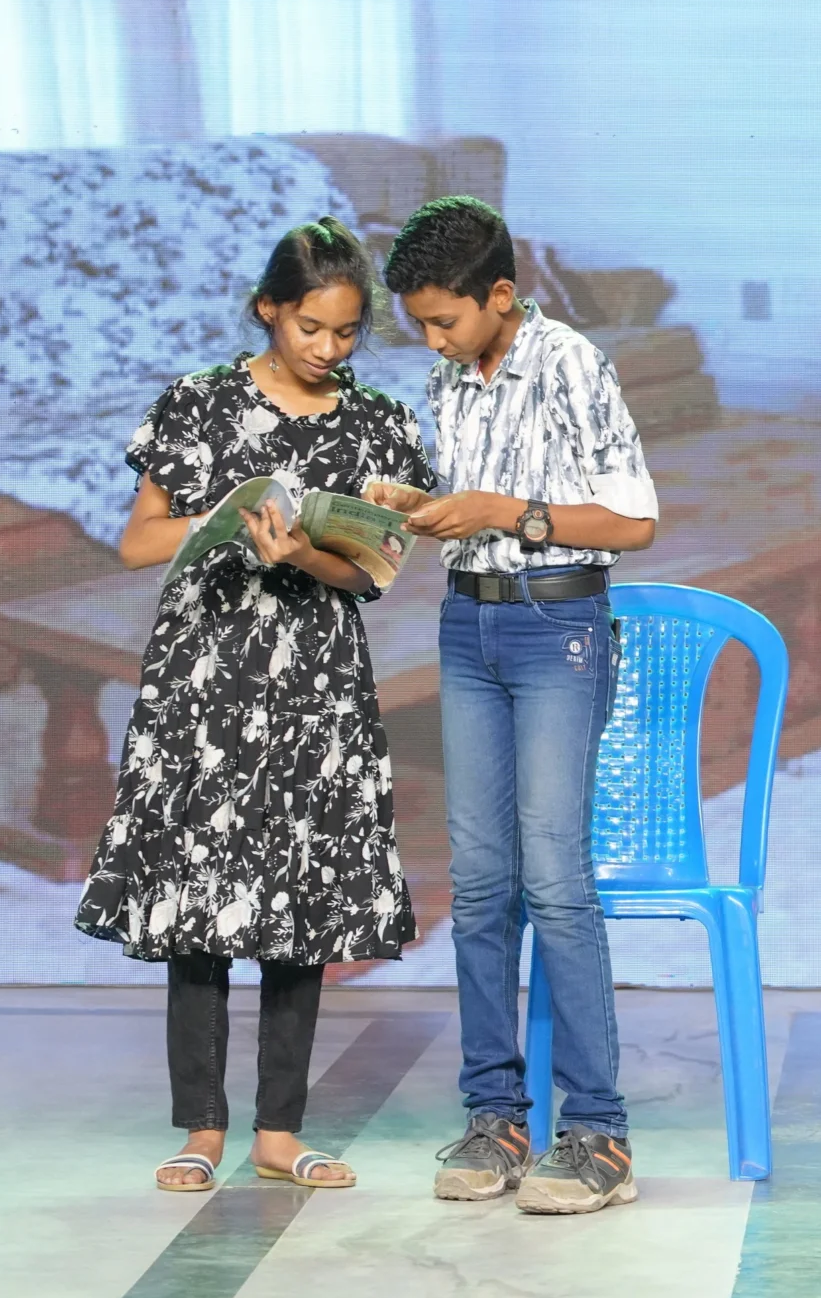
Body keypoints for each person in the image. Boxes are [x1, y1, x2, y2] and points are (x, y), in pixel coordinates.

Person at [77, 218, 435, 1192]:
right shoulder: (196, 404)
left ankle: (280, 1132)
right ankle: (200, 1129)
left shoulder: (380, 422)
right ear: (268, 309)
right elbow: (139, 542)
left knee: (300, 897)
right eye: (311, 327)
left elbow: (372, 572)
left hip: (317, 685)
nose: (329, 348)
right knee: (197, 900)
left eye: (348, 332)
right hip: (204, 682)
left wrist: (303, 551)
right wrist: (228, 519)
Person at [381, 196, 659, 1217]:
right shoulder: (446, 376)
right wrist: (412, 507)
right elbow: (462, 504)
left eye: (444, 319)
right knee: (481, 882)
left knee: (554, 879)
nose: (432, 340)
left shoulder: (571, 363)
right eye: (419, 324)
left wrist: (506, 513)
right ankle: (495, 1117)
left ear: (500, 294)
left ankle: (598, 1134)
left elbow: (633, 520)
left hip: (557, 629)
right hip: (469, 626)